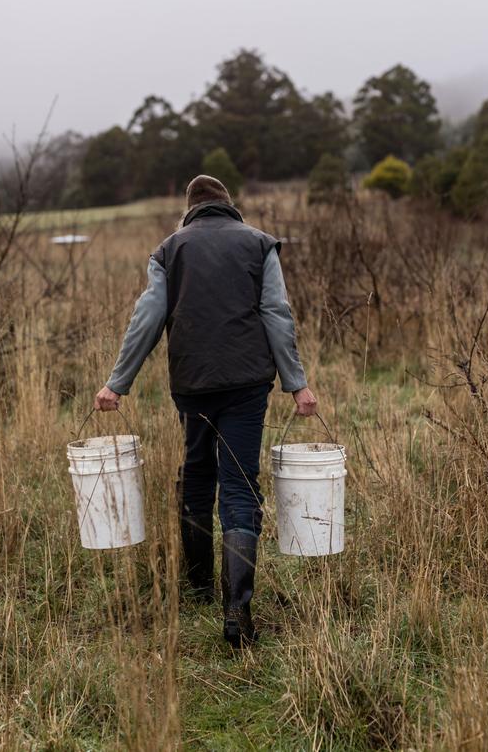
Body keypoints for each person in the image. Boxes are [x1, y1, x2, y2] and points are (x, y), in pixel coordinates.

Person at [95, 175, 317, 647]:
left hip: (192, 385)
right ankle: (236, 608)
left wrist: (118, 383)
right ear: (229, 205)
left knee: (197, 472)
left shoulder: (169, 250)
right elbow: (277, 313)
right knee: (239, 483)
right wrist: (296, 383)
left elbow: (148, 317)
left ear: (190, 209)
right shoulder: (260, 244)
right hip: (247, 383)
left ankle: (196, 584)